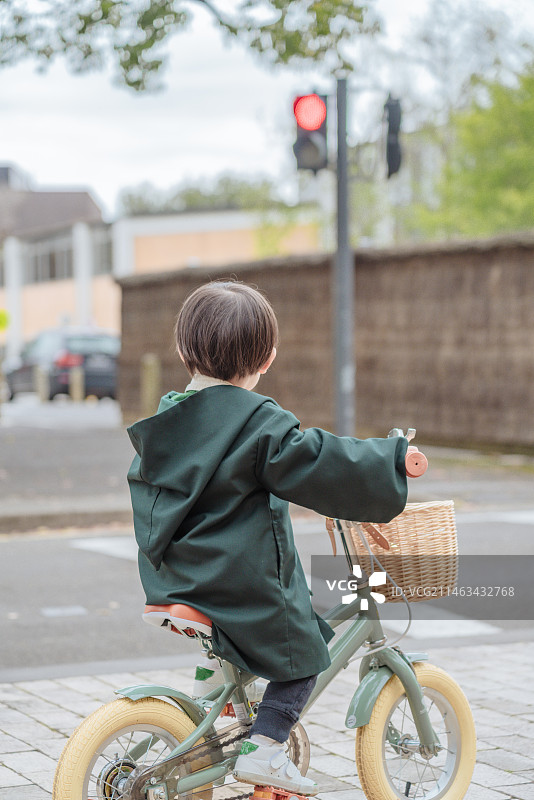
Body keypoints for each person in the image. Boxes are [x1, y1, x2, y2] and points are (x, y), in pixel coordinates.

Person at [127, 280, 409, 796]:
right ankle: (268, 749)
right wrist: (391, 461)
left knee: (249, 629)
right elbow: (319, 462)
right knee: (303, 650)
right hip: (238, 584)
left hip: (175, 578)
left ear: (183, 351)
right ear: (269, 357)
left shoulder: (166, 420)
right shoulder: (260, 425)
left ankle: (215, 692)